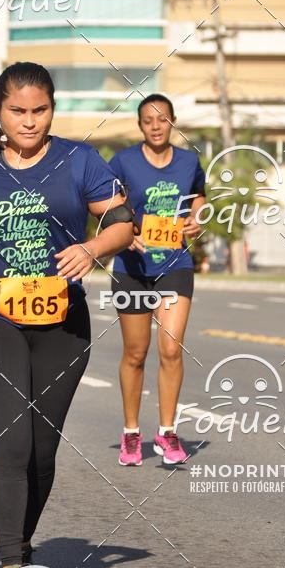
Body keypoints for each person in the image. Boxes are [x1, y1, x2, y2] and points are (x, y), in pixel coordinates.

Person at [0, 61, 137, 568]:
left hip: (62, 323)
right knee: (15, 440)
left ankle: (23, 543)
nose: (28, 121)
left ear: (53, 108)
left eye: (40, 110)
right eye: (17, 111)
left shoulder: (80, 160)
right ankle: (12, 567)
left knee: (43, 451)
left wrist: (93, 248)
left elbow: (122, 222)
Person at [109, 93, 206, 468]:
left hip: (174, 265)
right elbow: (106, 204)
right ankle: (131, 433)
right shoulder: (123, 162)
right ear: (140, 125)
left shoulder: (188, 161)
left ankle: (167, 431)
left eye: (162, 119)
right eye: (148, 120)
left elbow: (198, 197)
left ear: (172, 122)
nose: (155, 126)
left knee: (171, 349)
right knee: (136, 353)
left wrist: (196, 220)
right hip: (132, 268)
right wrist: (123, 232)